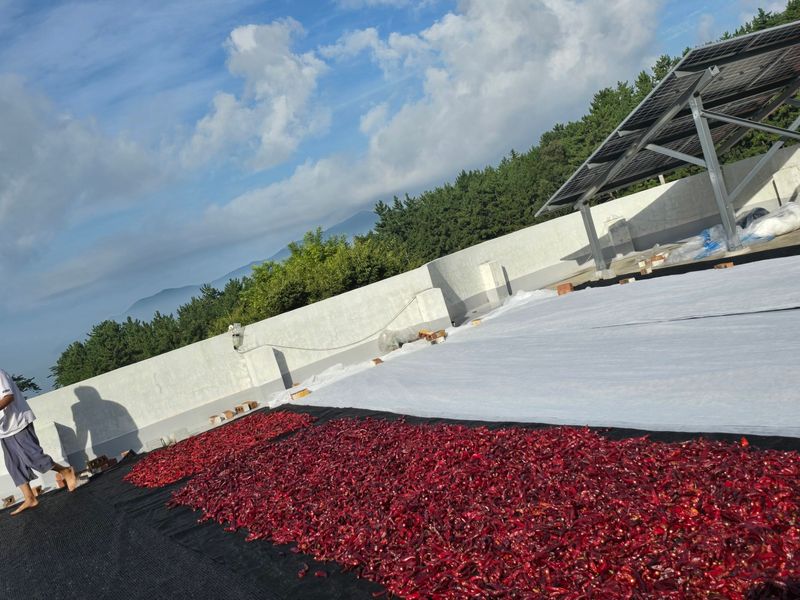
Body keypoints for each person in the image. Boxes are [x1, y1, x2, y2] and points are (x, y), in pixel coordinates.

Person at [0, 368, 77, 515]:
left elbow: (8, 396)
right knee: (14, 465)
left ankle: (66, 471)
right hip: (3, 430)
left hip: (18, 422)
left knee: (34, 458)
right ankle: (30, 498)